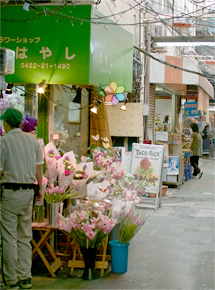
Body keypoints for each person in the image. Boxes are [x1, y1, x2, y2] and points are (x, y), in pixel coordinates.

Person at [0, 108, 44, 289]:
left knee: (9, 237)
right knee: (25, 236)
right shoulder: (32, 141)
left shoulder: (3, 142)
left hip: (10, 193)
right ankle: (26, 278)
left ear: (6, 124)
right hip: (29, 194)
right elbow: (39, 169)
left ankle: (12, 280)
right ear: (20, 123)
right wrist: (40, 190)